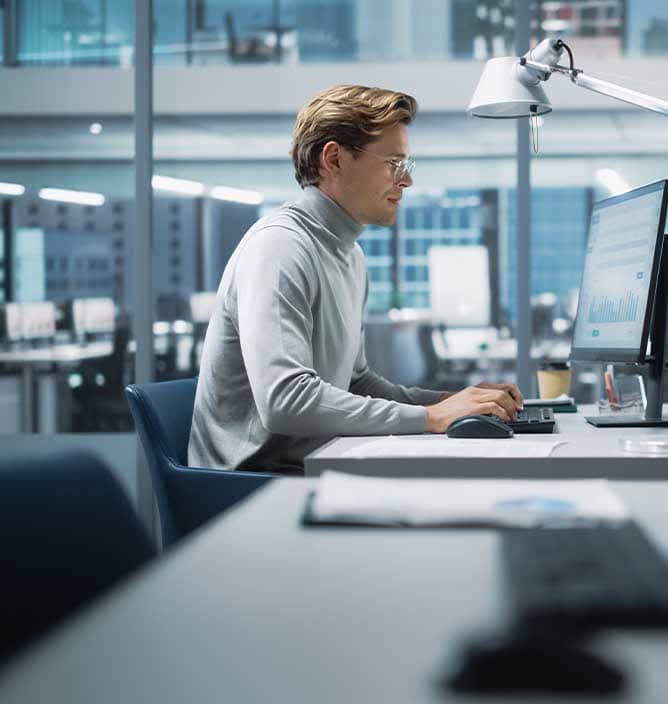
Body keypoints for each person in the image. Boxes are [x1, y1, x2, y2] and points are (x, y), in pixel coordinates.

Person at [189, 84, 522, 471]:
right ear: (334, 159)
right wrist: (431, 418)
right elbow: (285, 402)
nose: (406, 181)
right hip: (247, 489)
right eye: (394, 163)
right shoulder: (280, 248)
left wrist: (450, 401)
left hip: (309, 466)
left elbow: (355, 383)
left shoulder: (348, 254)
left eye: (407, 166)